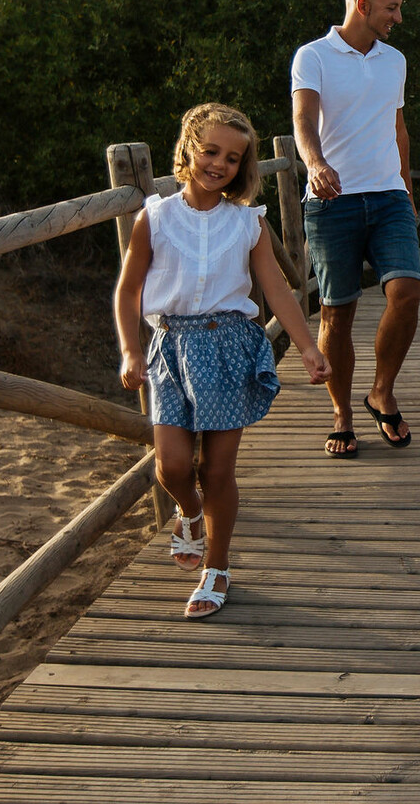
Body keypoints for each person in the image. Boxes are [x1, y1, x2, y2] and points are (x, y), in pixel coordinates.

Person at [116, 103, 330, 619]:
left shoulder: (247, 222)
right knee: (170, 464)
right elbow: (128, 291)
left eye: (233, 158)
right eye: (210, 151)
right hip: (171, 347)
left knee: (217, 470)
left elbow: (276, 288)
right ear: (188, 148)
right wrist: (129, 348)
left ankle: (217, 566)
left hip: (229, 345)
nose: (220, 164)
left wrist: (306, 345)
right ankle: (188, 515)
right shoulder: (157, 216)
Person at [291, 0, 420, 458]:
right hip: (332, 202)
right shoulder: (314, 56)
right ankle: (342, 414)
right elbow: (303, 118)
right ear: (363, 6)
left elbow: (399, 129)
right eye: (392, 7)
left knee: (407, 289)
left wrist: (407, 186)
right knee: (336, 314)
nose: (399, 17)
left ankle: (381, 391)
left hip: (389, 196)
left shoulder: (395, 61)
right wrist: (315, 163)